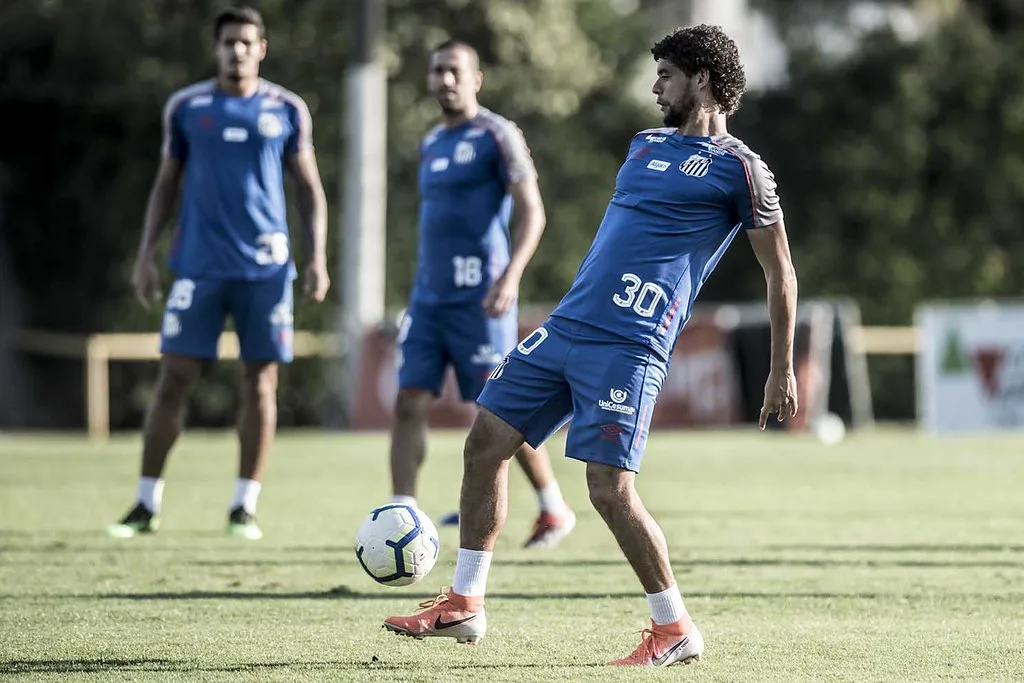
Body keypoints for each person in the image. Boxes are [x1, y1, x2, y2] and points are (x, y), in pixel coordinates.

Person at [382, 25, 799, 666]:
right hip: (567, 327)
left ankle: (674, 627)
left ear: (703, 81)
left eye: (666, 75)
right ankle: (465, 603)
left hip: (630, 345)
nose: (655, 86)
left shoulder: (742, 170)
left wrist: (780, 369)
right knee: (485, 442)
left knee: (608, 490)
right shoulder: (643, 145)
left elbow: (780, 273)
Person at [107, 6, 330, 541]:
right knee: (174, 378)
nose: (238, 51)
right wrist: (145, 253)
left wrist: (318, 255)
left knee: (260, 383)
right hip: (199, 267)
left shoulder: (287, 109)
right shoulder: (186, 107)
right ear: (216, 48)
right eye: (229, 42)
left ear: (262, 48)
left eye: (247, 42)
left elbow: (309, 189)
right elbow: (166, 185)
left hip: (266, 269)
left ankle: (243, 507)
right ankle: (144, 503)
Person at [387, 40, 575, 549]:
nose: (445, 80)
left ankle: (553, 508)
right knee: (407, 401)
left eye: (454, 71)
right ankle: (401, 517)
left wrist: (510, 277)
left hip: (482, 300)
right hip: (429, 300)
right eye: (437, 71)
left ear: (476, 79)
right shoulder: (430, 142)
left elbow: (532, 211)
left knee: (502, 412)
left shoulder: (498, 134)